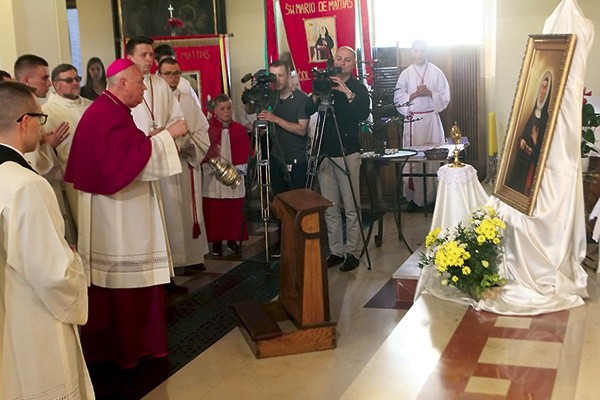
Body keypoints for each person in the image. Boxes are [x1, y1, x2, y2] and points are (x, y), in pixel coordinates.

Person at [64, 58, 187, 368]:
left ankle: (134, 346)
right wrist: (167, 136)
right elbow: (125, 165)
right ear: (121, 84)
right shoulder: (107, 114)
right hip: (118, 216)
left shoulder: (111, 111)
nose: (144, 88)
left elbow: (127, 152)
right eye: (139, 82)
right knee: (127, 282)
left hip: (116, 211)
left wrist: (152, 140)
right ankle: (132, 347)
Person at [0, 81, 94, 399]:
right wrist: (73, 260)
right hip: (27, 313)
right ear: (24, 122)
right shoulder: (26, 185)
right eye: (40, 118)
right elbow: (52, 274)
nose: (43, 126)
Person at [126, 36, 190, 271]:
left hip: (163, 156)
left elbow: (177, 117)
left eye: (151, 55)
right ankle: (151, 271)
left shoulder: (161, 84)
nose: (149, 59)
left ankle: (169, 270)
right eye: (143, 55)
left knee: (169, 214)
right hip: (140, 160)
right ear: (129, 57)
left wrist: (168, 134)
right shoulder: (123, 85)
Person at [305, 46, 370, 271]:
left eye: (347, 60)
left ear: (353, 64)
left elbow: (363, 113)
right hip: (324, 152)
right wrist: (317, 92)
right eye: (339, 59)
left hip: (347, 152)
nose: (342, 63)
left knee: (351, 206)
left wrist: (348, 94)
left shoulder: (357, 88)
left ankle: (352, 251)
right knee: (330, 206)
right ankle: (335, 250)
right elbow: (307, 109)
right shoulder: (326, 84)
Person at [158, 57, 210, 270]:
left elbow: (201, 131)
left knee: (189, 210)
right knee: (168, 209)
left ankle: (192, 256)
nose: (173, 77)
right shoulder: (152, 102)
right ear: (159, 75)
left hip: (185, 163)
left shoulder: (188, 100)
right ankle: (170, 261)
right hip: (162, 166)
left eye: (177, 73)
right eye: (168, 73)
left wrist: (191, 148)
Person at [394, 40, 450, 210]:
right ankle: (414, 199)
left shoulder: (436, 72)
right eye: (416, 51)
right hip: (413, 121)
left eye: (423, 50)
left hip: (431, 121)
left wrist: (430, 93)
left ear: (428, 51)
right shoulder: (406, 74)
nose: (420, 54)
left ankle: (434, 199)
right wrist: (413, 95)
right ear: (412, 52)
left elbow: (445, 96)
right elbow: (398, 97)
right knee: (414, 159)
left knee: (433, 159)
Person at [43, 63, 93, 244]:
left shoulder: (91, 106)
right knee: (85, 230)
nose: (75, 83)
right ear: (56, 85)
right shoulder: (46, 112)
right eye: (69, 80)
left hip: (99, 173)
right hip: (74, 179)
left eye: (77, 79)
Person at [202, 94, 251, 256]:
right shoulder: (208, 129)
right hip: (213, 177)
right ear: (215, 110)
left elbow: (245, 151)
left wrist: (238, 170)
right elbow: (203, 152)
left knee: (233, 208)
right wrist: (212, 168)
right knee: (215, 209)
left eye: (229, 108)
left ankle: (232, 239)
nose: (227, 112)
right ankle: (216, 242)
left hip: (233, 175)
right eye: (222, 109)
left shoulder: (238, 129)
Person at [258, 59, 310, 197]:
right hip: (276, 158)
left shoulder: (301, 99)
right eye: (273, 76)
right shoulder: (270, 97)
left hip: (296, 160)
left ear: (288, 75)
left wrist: (275, 118)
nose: (277, 80)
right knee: (279, 202)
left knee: (298, 201)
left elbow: (301, 129)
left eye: (280, 75)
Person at [506, 71, 552, 195]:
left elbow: (543, 152)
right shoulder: (533, 112)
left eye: (545, 88)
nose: (542, 92)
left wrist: (535, 140)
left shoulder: (546, 119)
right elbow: (523, 134)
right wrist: (522, 140)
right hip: (522, 160)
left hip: (530, 167)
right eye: (541, 87)